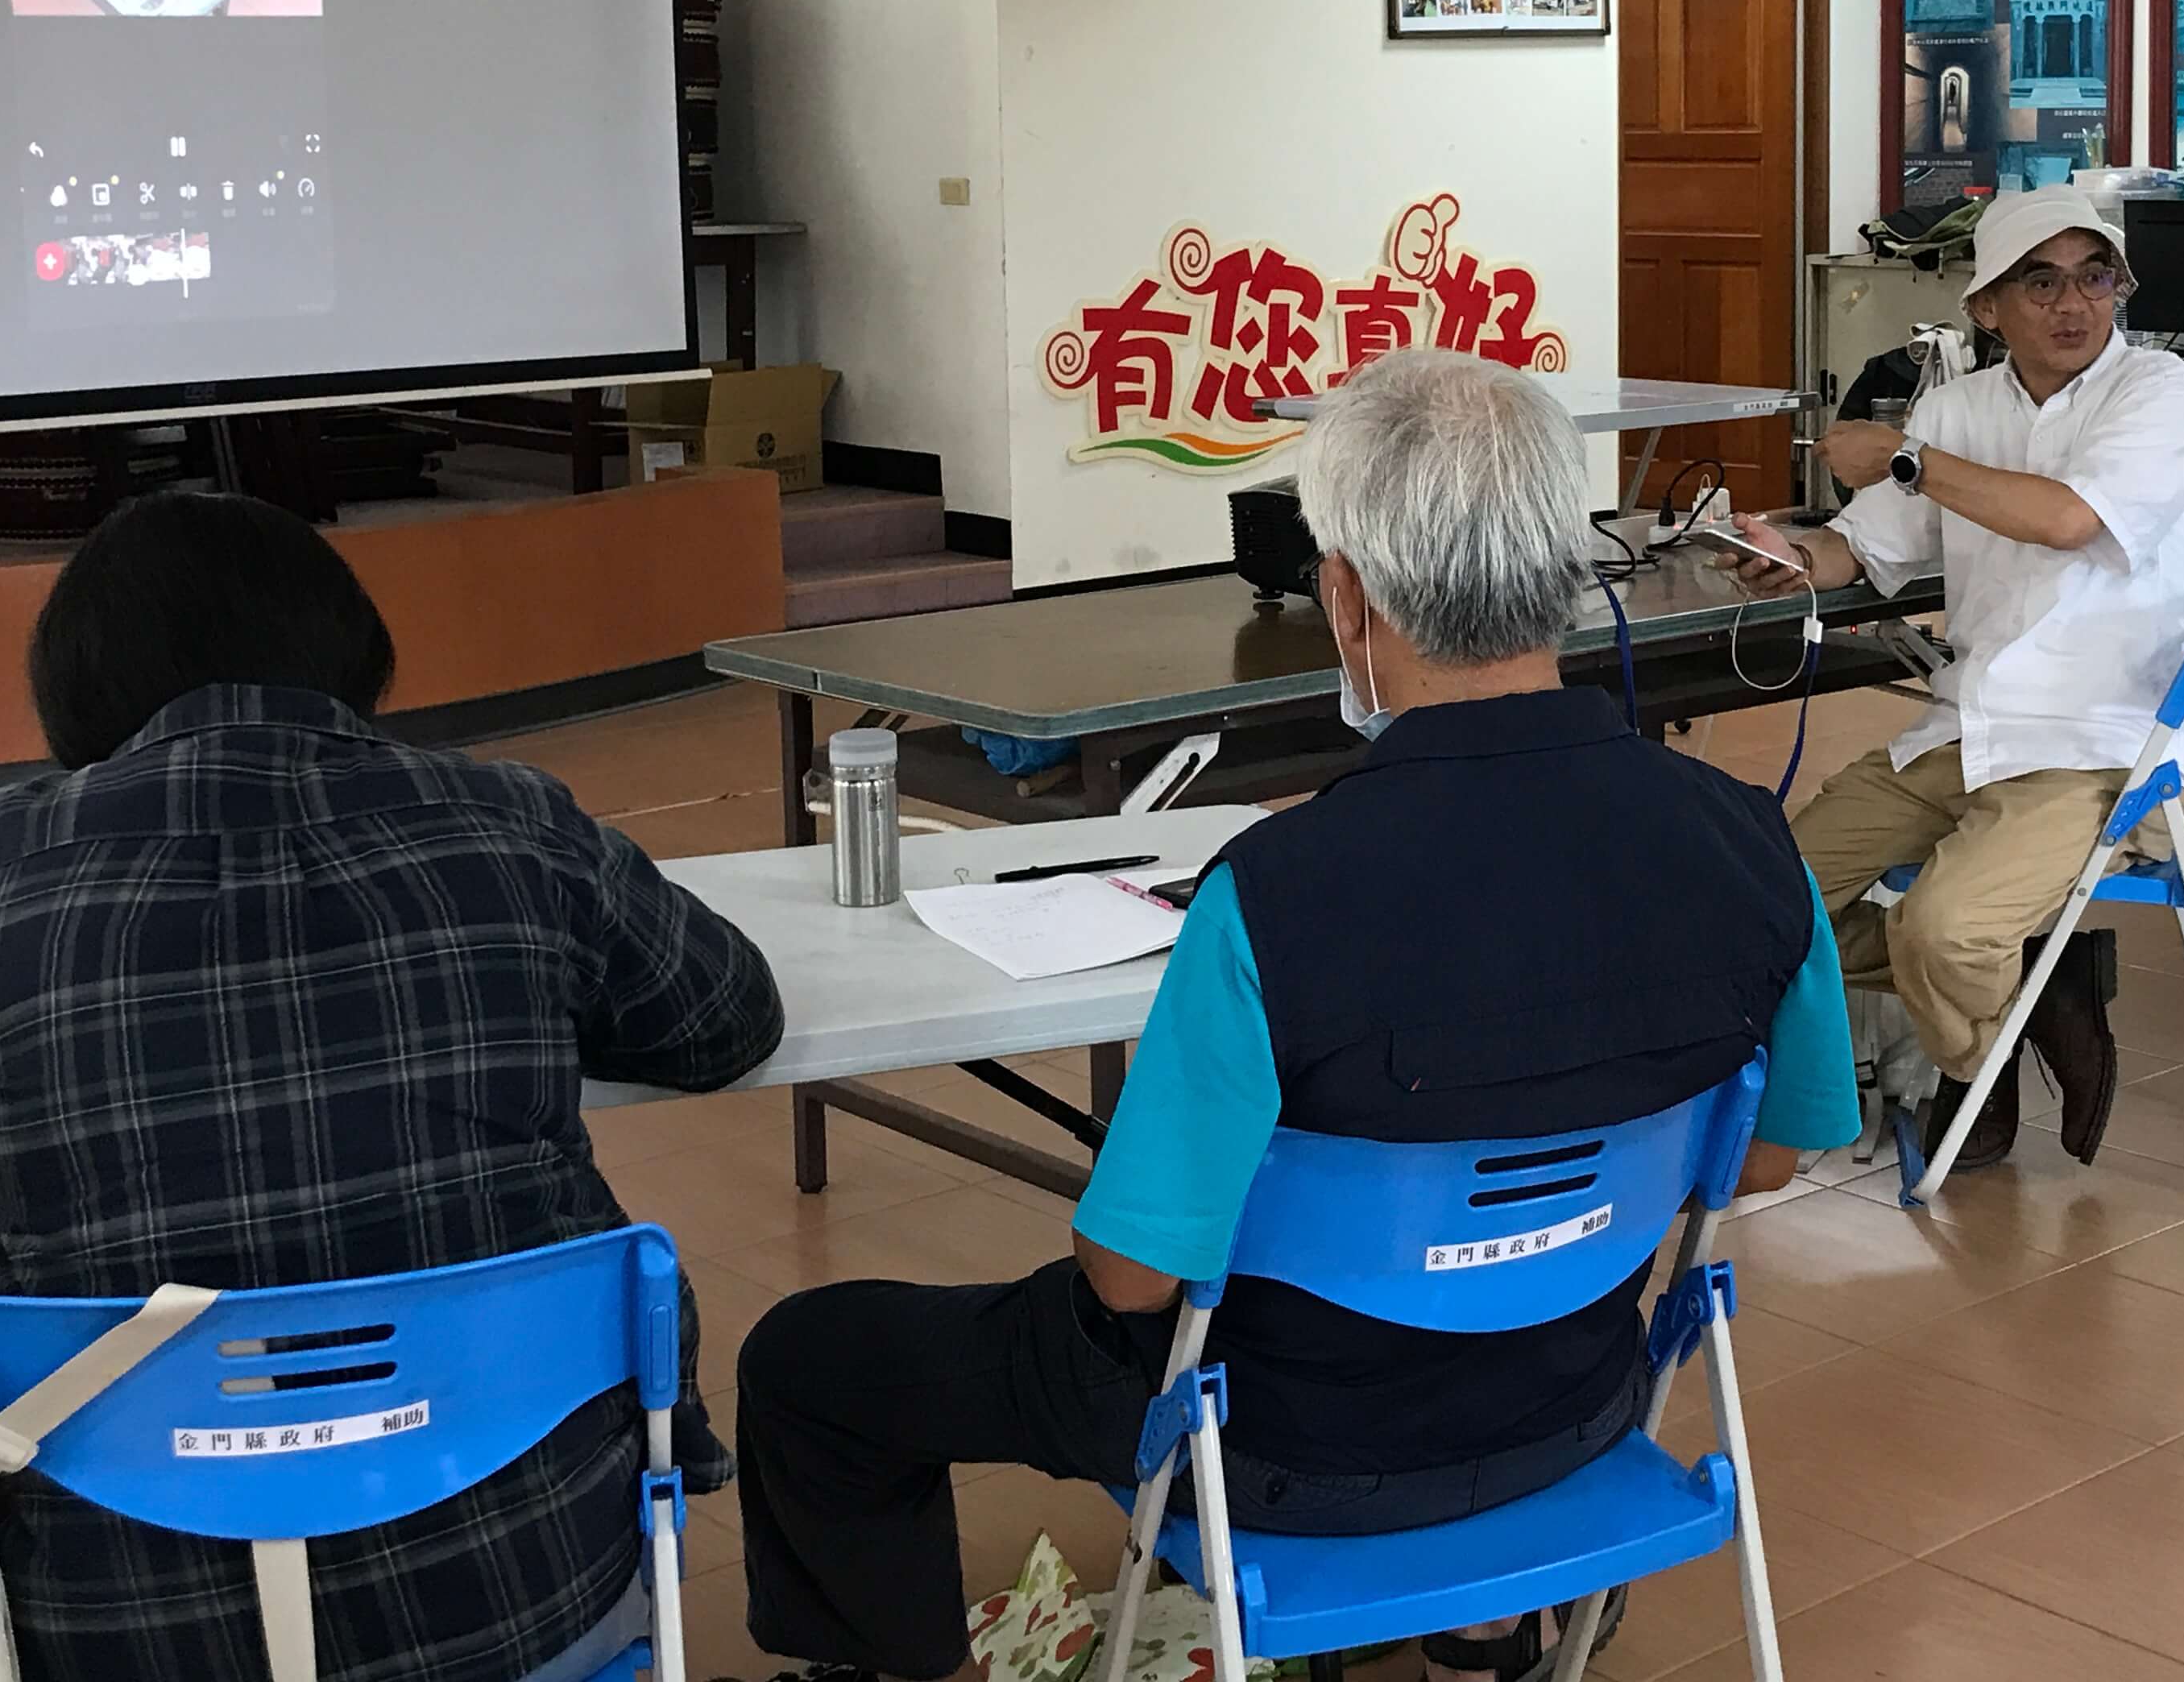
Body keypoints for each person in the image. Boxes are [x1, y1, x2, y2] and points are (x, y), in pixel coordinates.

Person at [728, 349, 1858, 1682]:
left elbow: (1130, 1277)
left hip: (1280, 1453)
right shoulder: (1750, 841)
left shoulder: (1274, 892)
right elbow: (1771, 1157)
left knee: (812, 1355)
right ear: (1570, 568)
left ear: (1345, 595)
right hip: (1576, 1408)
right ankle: (1489, 1619)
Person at [0, 492, 784, 1682]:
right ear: (349, 645)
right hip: (530, 1599)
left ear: (76, 684)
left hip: (127, 1636)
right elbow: (726, 1020)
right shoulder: (508, 821)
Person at [1718, 184, 2184, 1178]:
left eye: (2096, 277)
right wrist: (1787, 555)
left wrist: (1905, 458)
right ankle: (2034, 985)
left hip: (2102, 740)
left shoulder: (2157, 391)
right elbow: (1862, 551)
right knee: (1768, 899)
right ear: (1986, 308)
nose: (2075, 305)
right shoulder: (1957, 410)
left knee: (1944, 931)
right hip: (1970, 722)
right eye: (2041, 282)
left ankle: (1971, 1065)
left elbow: (2071, 519)